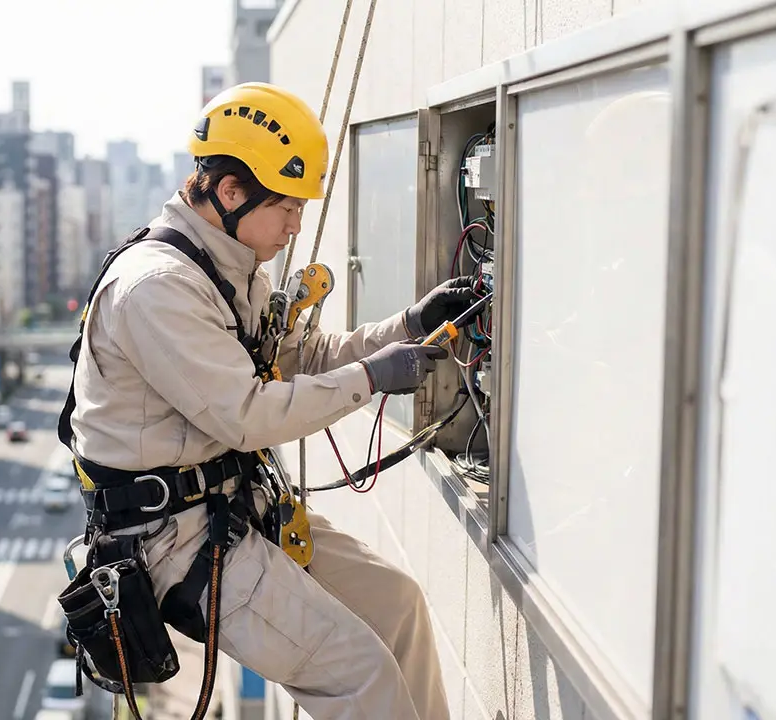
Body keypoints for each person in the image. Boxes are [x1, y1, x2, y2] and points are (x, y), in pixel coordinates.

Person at [60, 82, 477, 720]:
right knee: (360, 677)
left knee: (397, 605)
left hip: (233, 506)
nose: (295, 226)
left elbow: (300, 357)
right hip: (172, 539)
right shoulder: (158, 289)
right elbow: (248, 414)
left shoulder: (228, 268)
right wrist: (372, 377)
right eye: (286, 207)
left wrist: (407, 328)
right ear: (230, 192)